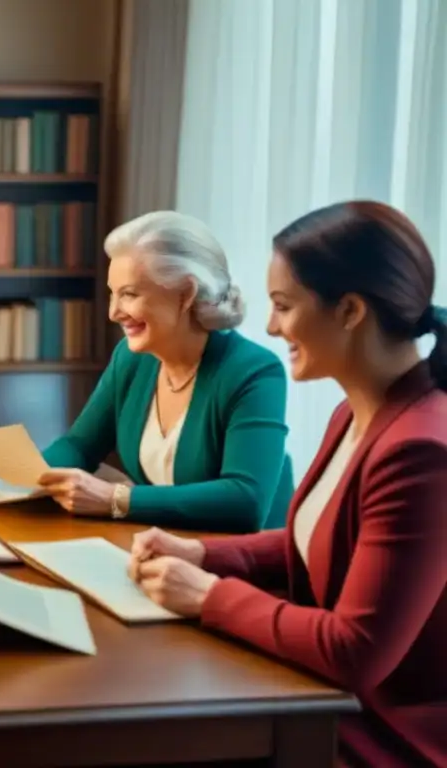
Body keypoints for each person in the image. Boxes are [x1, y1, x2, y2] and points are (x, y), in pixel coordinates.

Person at [128, 201, 447, 768]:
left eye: (283, 306)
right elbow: (321, 537)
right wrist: (202, 553)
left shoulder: (421, 453)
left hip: (376, 736)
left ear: (349, 310)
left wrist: (207, 595)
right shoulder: (354, 414)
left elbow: (353, 653)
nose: (271, 327)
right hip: (319, 702)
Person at [37, 211, 294, 532]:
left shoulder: (254, 370)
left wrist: (116, 499)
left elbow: (246, 500)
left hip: (245, 565)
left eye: (129, 294)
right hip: (165, 547)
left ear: (185, 294)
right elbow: (80, 445)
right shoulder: (132, 359)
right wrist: (29, 477)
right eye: (112, 293)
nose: (114, 312)